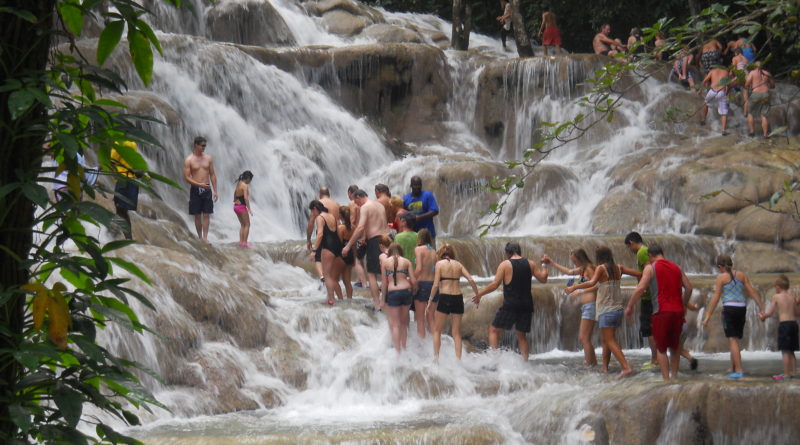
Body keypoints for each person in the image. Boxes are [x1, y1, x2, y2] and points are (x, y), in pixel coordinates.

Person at [624, 243, 693, 381]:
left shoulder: (650, 268)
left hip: (661, 311)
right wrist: (684, 304)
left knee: (661, 349)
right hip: (678, 312)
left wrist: (630, 306)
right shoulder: (676, 267)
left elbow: (640, 288)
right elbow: (689, 288)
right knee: (674, 348)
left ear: (650, 255)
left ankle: (666, 380)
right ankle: (674, 377)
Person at [567, 246, 637, 378]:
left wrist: (575, 286)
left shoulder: (601, 268)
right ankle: (605, 368)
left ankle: (626, 367)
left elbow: (592, 282)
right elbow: (639, 274)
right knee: (606, 340)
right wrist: (643, 283)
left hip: (606, 310)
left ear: (599, 257)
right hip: (618, 309)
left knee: (610, 340)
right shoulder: (618, 268)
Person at [472, 242, 548, 362]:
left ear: (508, 253)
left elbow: (494, 284)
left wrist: (480, 294)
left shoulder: (505, 265)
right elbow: (543, 279)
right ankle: (525, 363)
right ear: (519, 251)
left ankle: (494, 361)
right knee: (521, 336)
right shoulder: (531, 263)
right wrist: (544, 264)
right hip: (526, 305)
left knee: (493, 330)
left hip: (511, 304)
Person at [702, 254, 765, 379]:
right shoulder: (741, 275)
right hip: (742, 308)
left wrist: (707, 316)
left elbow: (716, 298)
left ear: (720, 267)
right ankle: (733, 367)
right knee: (735, 339)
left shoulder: (721, 278)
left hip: (729, 310)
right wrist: (762, 308)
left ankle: (739, 370)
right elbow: (752, 291)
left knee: (732, 340)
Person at [542, 249, 598, 367]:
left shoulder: (589, 269)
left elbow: (597, 286)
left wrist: (579, 290)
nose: (574, 263)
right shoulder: (583, 269)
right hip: (586, 307)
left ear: (580, 259)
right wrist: (551, 262)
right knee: (585, 338)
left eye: (575, 260)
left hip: (590, 306)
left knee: (583, 338)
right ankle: (593, 363)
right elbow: (568, 272)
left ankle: (589, 364)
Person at [428, 244, 478, 360]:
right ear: (452, 254)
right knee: (456, 333)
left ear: (440, 254)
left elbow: (435, 285)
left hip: (445, 296)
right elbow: (470, 279)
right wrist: (478, 295)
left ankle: (436, 360)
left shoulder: (439, 264)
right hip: (457, 297)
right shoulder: (458, 264)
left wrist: (430, 301)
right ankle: (458, 361)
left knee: (437, 330)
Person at [342, 189, 388, 310]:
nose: (356, 205)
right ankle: (384, 302)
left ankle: (377, 305)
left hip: (375, 241)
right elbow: (379, 224)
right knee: (385, 273)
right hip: (387, 239)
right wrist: (365, 238)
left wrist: (348, 245)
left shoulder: (365, 207)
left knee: (372, 274)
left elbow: (361, 227)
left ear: (358, 197)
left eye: (356, 202)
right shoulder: (379, 205)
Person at [623, 232, 658, 369]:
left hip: (648, 296)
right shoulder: (646, 251)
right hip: (650, 294)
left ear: (631, 243)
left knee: (649, 329)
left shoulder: (642, 252)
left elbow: (647, 273)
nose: (629, 251)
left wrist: (642, 288)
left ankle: (655, 360)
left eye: (628, 247)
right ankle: (655, 358)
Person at [759, 275, 799, 380]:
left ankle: (786, 374)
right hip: (794, 325)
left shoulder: (776, 297)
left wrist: (763, 316)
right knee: (791, 350)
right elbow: (796, 313)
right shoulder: (792, 298)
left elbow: (771, 312)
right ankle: (794, 373)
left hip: (784, 325)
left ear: (777, 287)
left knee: (785, 351)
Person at [380, 243, 415, 352]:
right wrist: (414, 291)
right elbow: (413, 280)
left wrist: (382, 300)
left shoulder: (385, 263)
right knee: (404, 323)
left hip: (393, 293)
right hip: (406, 292)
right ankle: (404, 348)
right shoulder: (406, 261)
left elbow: (384, 283)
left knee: (395, 325)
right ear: (401, 251)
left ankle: (398, 352)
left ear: (390, 252)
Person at [183, 136, 218, 242]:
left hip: (207, 188)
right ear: (196, 145)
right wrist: (199, 184)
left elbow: (212, 174)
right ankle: (200, 237)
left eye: (205, 146)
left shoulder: (208, 158)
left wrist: (215, 190)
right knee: (197, 215)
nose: (204, 148)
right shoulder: (189, 160)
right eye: (202, 146)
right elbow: (186, 177)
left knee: (207, 214)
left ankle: (206, 238)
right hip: (196, 189)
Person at [309, 200, 344, 306]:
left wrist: (314, 250)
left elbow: (320, 234)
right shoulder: (332, 216)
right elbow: (338, 232)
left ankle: (331, 300)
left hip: (327, 247)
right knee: (333, 276)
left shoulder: (320, 218)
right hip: (336, 245)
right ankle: (340, 298)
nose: (312, 214)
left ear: (315, 209)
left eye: (312, 211)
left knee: (327, 275)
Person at [307, 187, 341, 281]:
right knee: (332, 260)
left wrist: (308, 240)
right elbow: (340, 223)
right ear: (329, 194)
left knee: (318, 259)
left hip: (324, 235)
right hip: (335, 234)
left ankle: (322, 278)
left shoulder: (317, 205)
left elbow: (311, 224)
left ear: (320, 194)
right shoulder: (336, 204)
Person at [111, 141, 141, 240]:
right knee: (122, 210)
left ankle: (119, 234)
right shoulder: (133, 143)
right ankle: (117, 234)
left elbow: (113, 160)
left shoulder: (118, 144)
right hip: (132, 180)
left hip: (123, 179)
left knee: (120, 208)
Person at [414, 228, 438, 338]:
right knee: (431, 317)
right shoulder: (434, 251)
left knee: (420, 319)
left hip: (422, 284)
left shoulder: (419, 249)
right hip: (434, 285)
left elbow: (419, 269)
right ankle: (435, 345)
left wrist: (411, 279)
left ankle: (422, 349)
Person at [403, 176, 439, 247]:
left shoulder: (428, 195)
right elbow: (403, 214)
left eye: (419, 185)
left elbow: (435, 211)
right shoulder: (406, 199)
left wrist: (419, 217)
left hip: (428, 234)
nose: (417, 187)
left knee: (431, 255)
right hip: (413, 235)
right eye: (415, 185)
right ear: (411, 185)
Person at [700, 65, 733, 135]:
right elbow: (729, 85)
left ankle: (703, 120)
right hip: (722, 92)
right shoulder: (726, 72)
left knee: (706, 104)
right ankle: (723, 130)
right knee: (724, 112)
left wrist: (700, 90)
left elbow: (705, 80)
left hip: (712, 91)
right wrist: (727, 92)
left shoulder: (712, 71)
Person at [346, 184, 368, 289]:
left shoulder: (352, 204)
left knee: (357, 258)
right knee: (361, 257)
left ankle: (362, 281)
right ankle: (362, 279)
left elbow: (353, 220)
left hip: (357, 232)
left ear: (350, 193)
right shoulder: (364, 203)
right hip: (365, 231)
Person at [745, 62, 776, 138]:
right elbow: (773, 86)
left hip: (755, 95)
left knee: (751, 113)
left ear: (754, 66)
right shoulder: (767, 74)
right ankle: (765, 134)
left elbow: (747, 84)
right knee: (764, 115)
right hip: (765, 95)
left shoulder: (752, 73)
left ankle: (752, 132)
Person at [338, 206, 355, 299]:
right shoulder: (354, 227)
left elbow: (339, 244)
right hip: (351, 254)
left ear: (340, 216)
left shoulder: (341, 228)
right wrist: (355, 258)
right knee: (347, 280)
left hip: (342, 255)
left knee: (333, 278)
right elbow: (355, 244)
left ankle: (339, 299)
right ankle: (349, 299)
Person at [232, 171, 253, 247]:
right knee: (247, 224)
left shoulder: (239, 184)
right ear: (248, 178)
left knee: (242, 225)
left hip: (236, 206)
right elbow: (246, 198)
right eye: (250, 180)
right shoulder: (245, 186)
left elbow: (234, 193)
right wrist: (249, 209)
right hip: (241, 207)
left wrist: (234, 200)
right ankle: (245, 243)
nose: (250, 181)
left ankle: (241, 242)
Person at [731, 48, 750, 115]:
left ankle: (731, 100)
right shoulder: (746, 58)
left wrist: (732, 76)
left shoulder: (735, 58)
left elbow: (734, 69)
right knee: (746, 97)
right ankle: (745, 113)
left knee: (727, 85)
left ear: (736, 53)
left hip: (740, 76)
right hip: (747, 76)